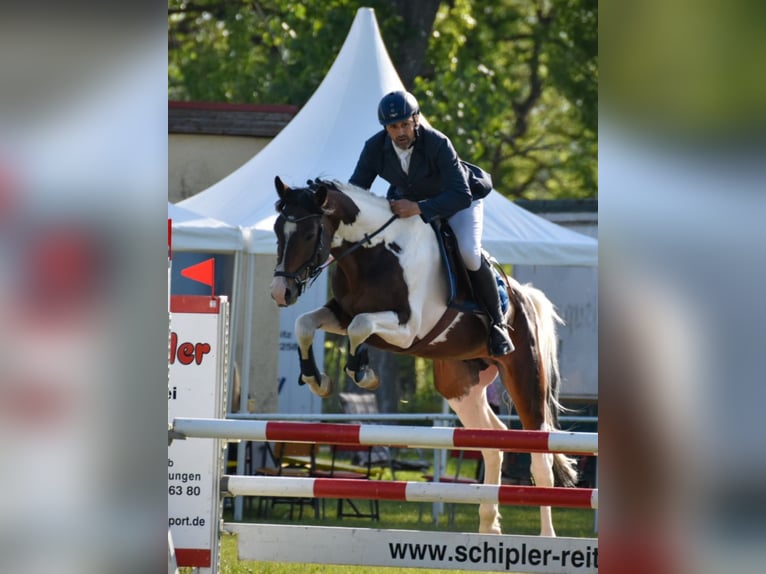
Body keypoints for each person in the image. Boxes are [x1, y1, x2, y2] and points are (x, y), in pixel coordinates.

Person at [349, 90, 514, 356]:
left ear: (416, 120)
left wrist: (417, 208)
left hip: (461, 202)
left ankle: (497, 323)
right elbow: (356, 192)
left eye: (405, 123)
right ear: (385, 128)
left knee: (469, 253)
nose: (400, 131)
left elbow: (461, 195)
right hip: (414, 205)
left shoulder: (437, 142)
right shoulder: (374, 148)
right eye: (393, 126)